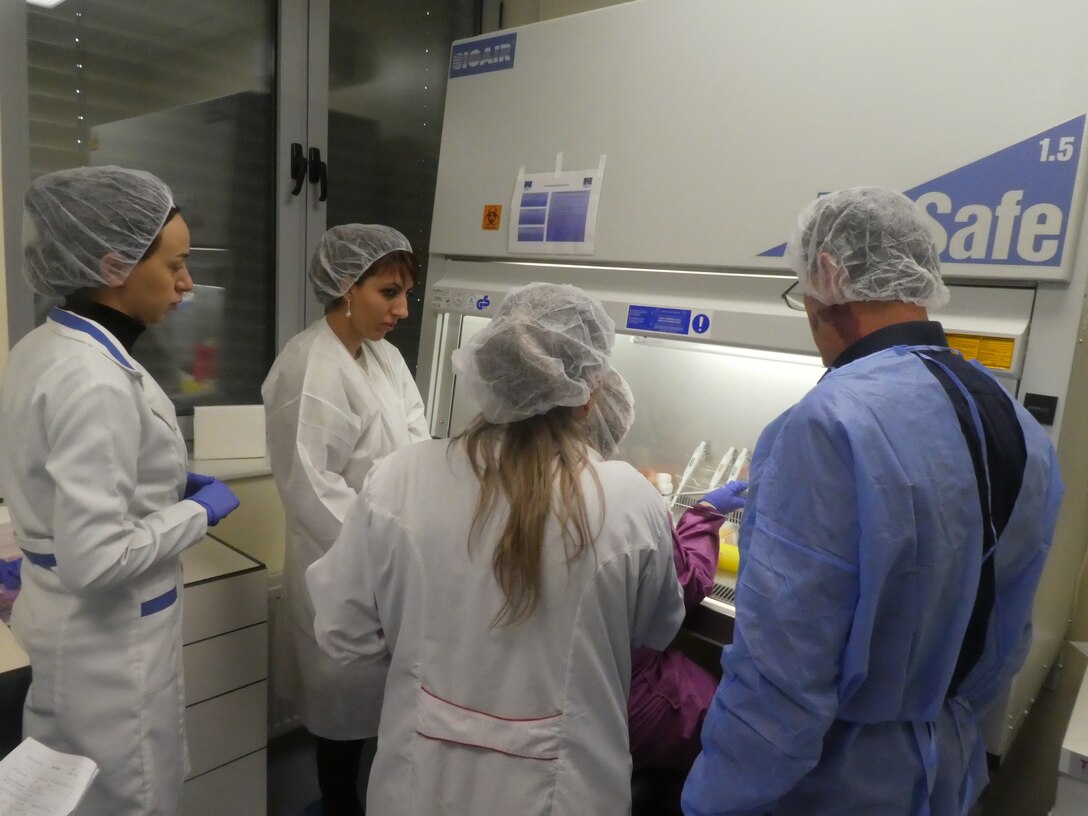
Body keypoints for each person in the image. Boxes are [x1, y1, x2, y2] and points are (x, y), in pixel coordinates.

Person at [682, 186, 1064, 816]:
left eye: (800, 288)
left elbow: (782, 678)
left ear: (829, 274)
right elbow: (1008, 636)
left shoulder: (827, 423)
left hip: (832, 782)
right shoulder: (1018, 424)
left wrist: (713, 801)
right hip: (945, 772)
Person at [305, 282, 686, 816]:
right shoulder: (627, 501)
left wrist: (425, 673)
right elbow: (655, 628)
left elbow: (343, 633)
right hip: (569, 790)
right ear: (589, 392)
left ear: (492, 369)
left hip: (419, 784)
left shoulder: (401, 479)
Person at [0, 165, 240, 816]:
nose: (188, 286)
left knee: (71, 793)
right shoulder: (95, 381)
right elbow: (98, 559)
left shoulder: (45, 348)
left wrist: (158, 481)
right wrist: (198, 508)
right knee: (125, 797)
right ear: (114, 266)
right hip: (108, 650)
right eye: (176, 266)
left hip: (69, 629)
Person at [262, 223, 430, 816]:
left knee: (382, 701)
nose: (402, 310)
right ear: (345, 285)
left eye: (406, 293)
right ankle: (337, 805)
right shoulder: (311, 369)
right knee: (340, 703)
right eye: (389, 293)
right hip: (339, 566)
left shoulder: (382, 357)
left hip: (389, 557)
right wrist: (381, 549)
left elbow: (417, 439)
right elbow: (310, 487)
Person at [585, 370, 745, 783]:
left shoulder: (485, 478)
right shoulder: (622, 497)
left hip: (526, 693)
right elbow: (684, 589)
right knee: (738, 725)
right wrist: (705, 516)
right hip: (616, 693)